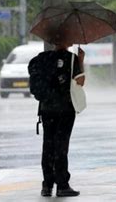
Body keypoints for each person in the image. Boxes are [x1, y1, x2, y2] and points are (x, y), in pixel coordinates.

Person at [29, 40, 85, 197]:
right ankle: (62, 185)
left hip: (46, 109)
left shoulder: (42, 58)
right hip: (65, 109)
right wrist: (81, 61)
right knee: (61, 146)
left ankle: (46, 185)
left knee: (48, 146)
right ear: (67, 40)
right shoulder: (71, 58)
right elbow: (80, 81)